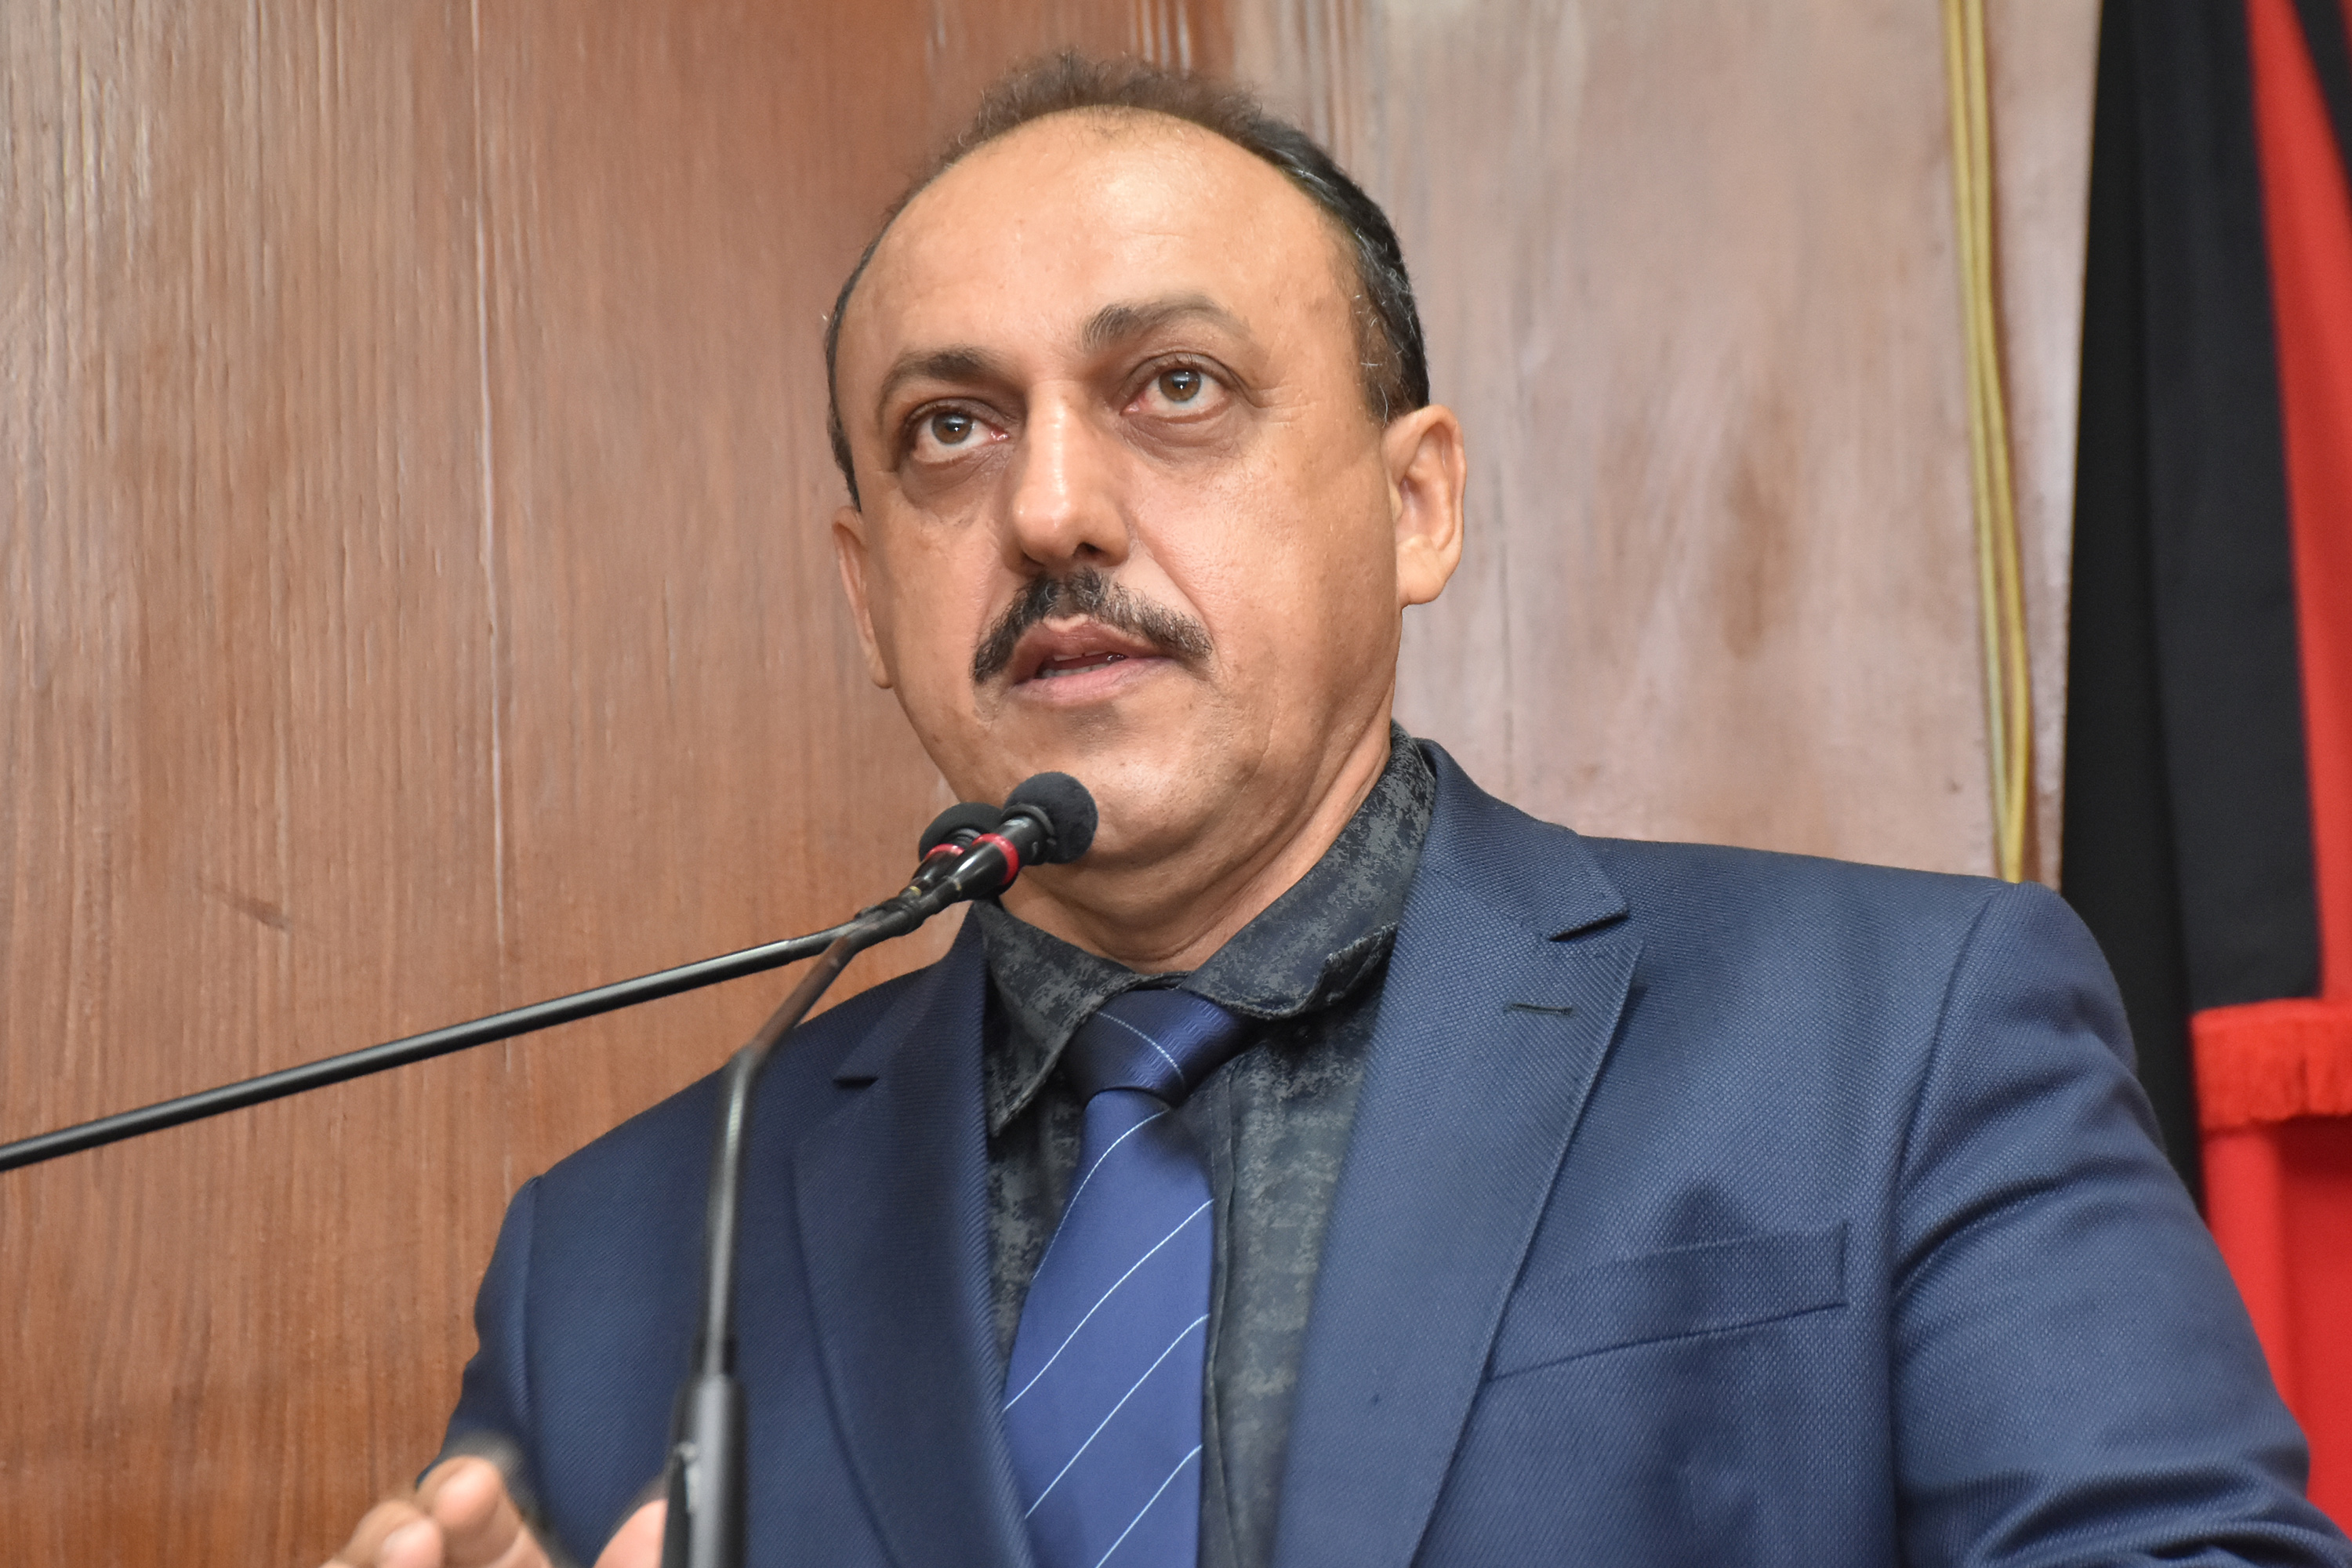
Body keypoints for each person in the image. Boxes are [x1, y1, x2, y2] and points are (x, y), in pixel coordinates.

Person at [328, 54, 2349, 1568]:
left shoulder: (1892, 1040)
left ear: (1415, 504)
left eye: (1174, 388)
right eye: (951, 430)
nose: (1050, 509)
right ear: (869, 597)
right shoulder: (619, 1260)